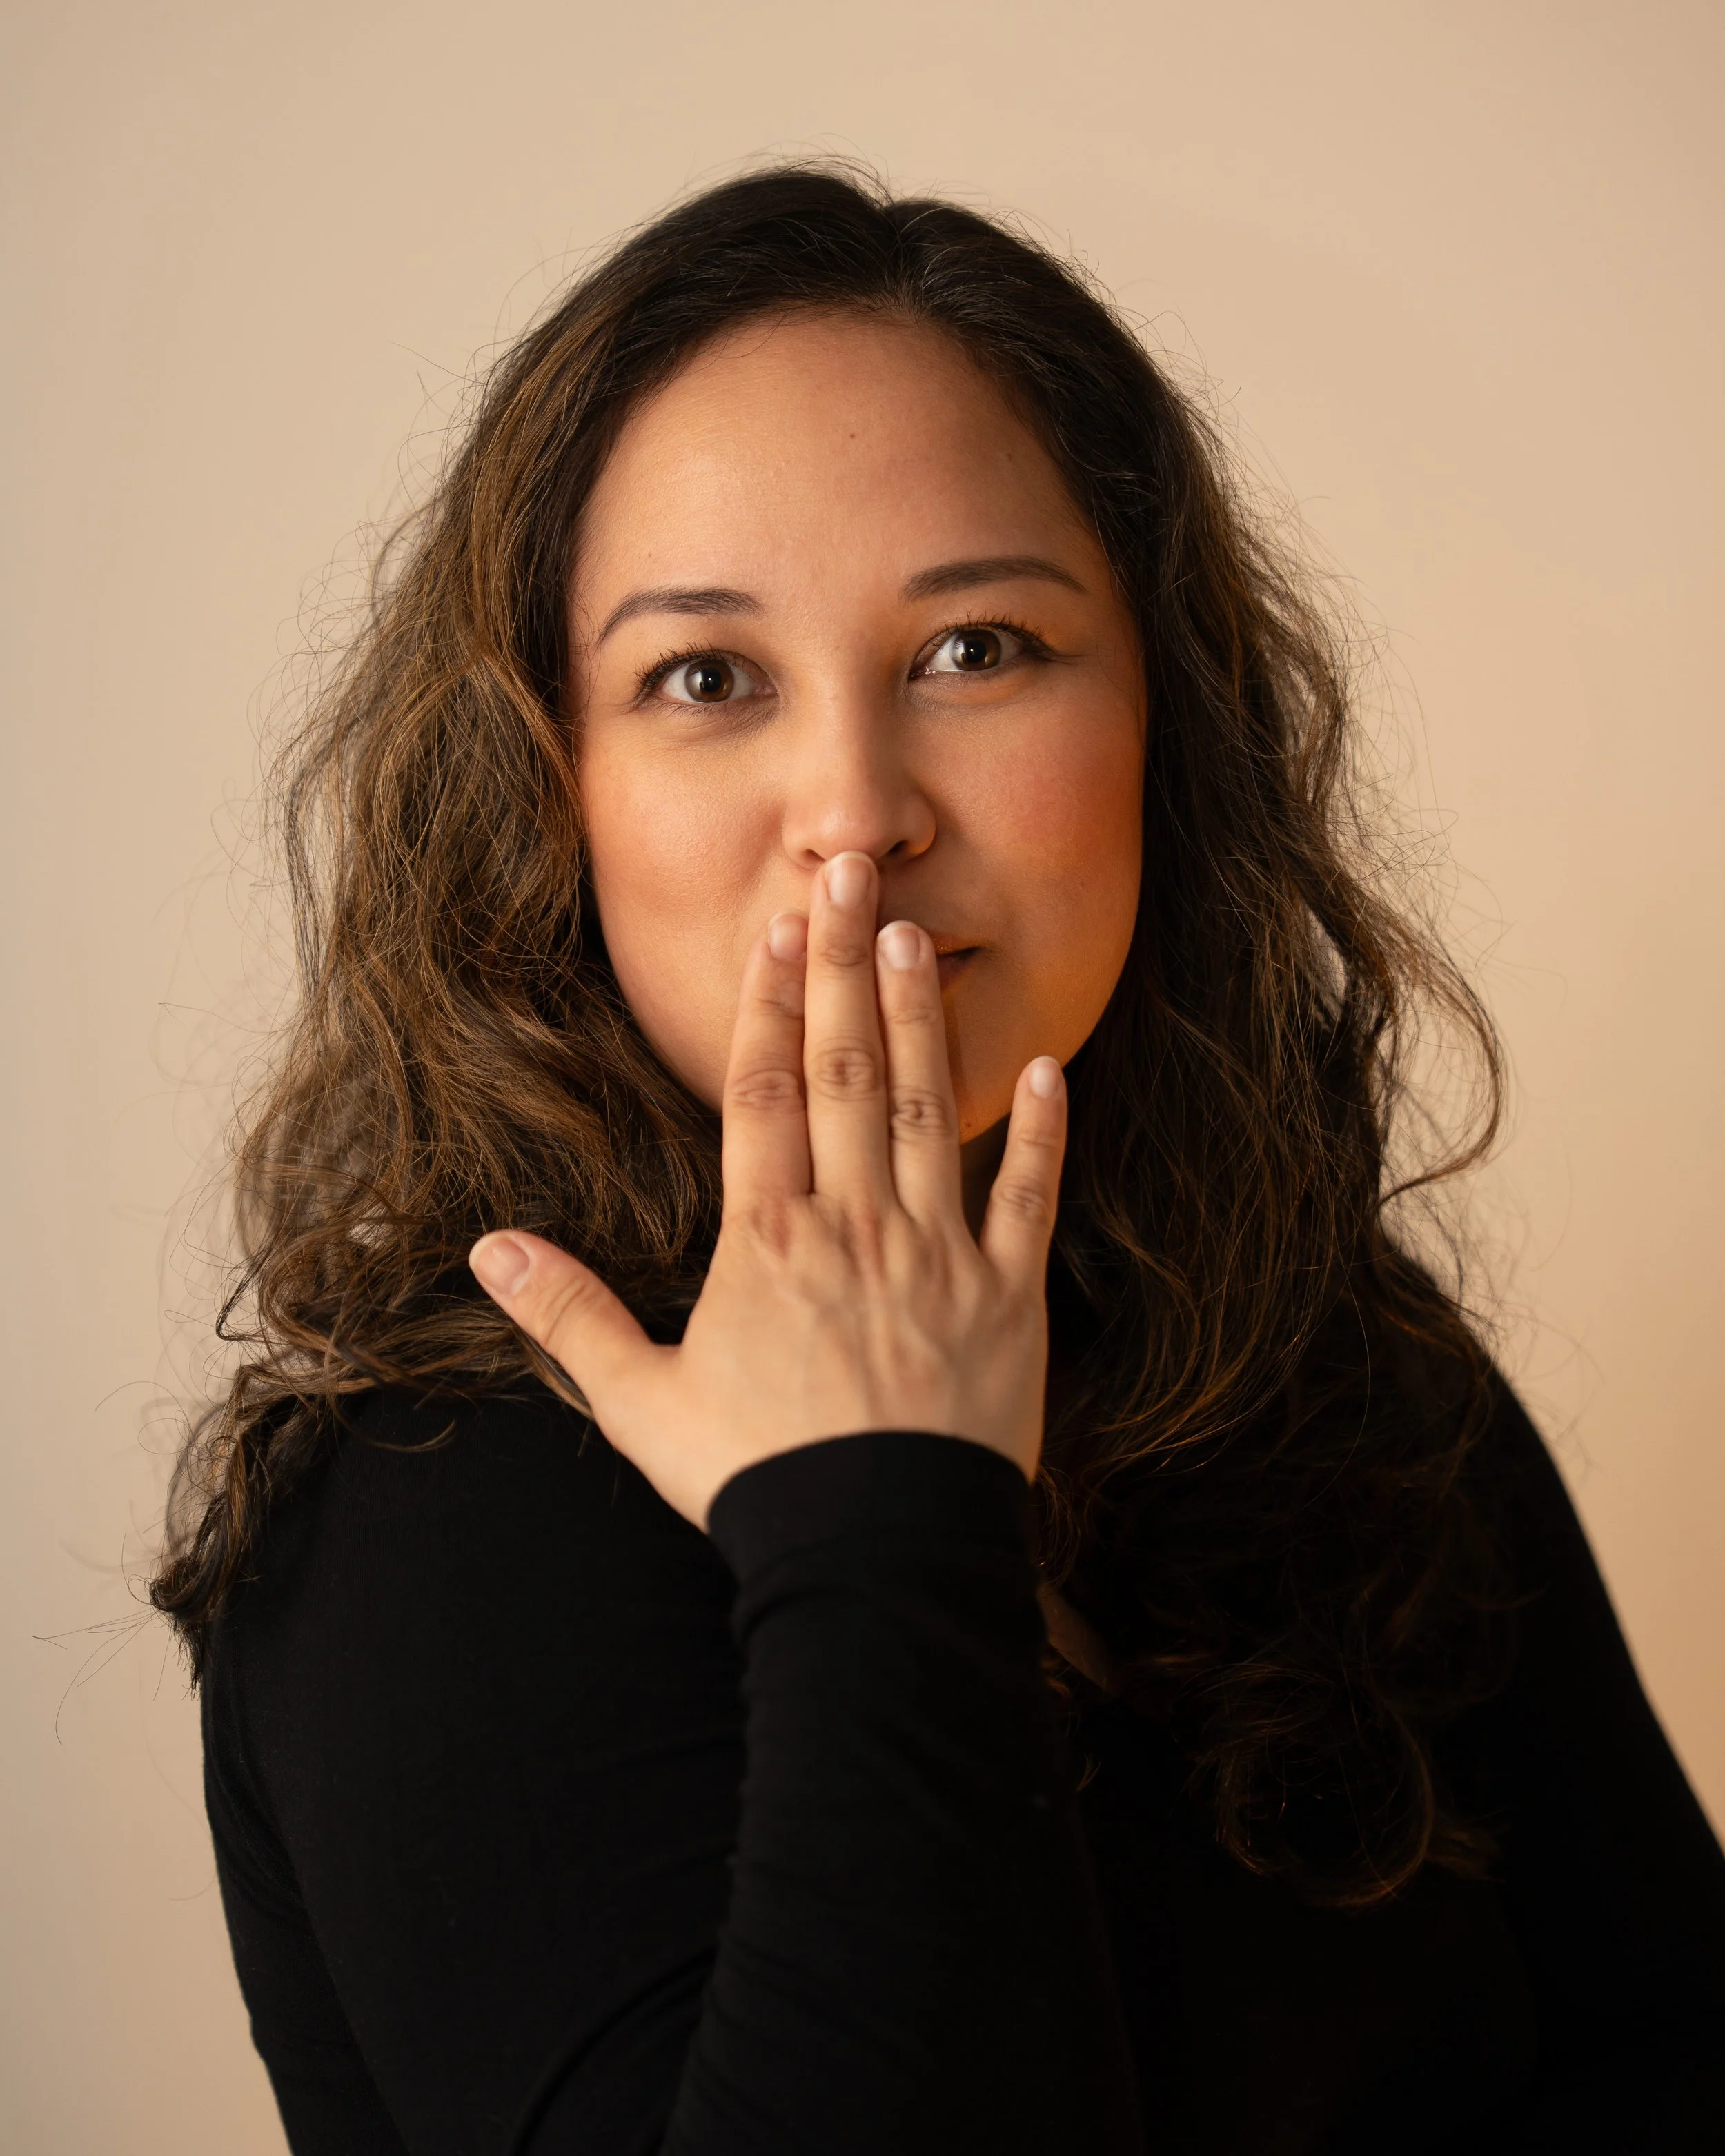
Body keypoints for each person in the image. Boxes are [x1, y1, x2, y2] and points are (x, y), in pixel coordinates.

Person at [152, 165, 1725, 2155]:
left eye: (977, 647)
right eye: (705, 680)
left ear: (1167, 715)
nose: (855, 812)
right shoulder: (432, 1510)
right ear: (549, 789)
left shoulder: (1328, 1359)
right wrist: (879, 1513)